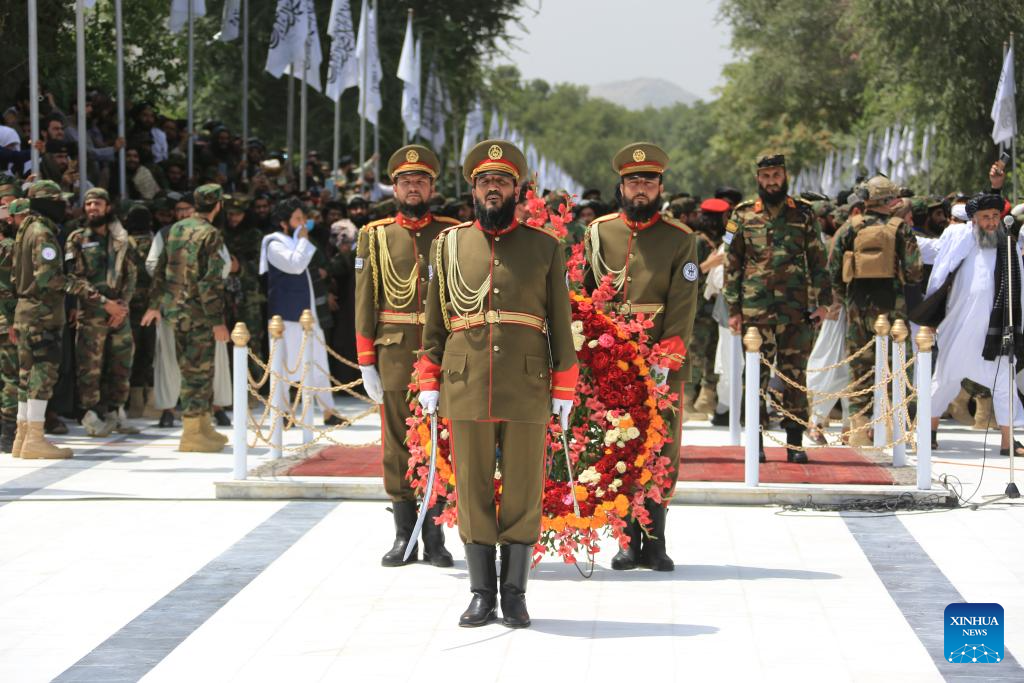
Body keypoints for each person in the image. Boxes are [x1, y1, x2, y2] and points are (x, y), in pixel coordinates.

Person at [416, 139, 578, 628]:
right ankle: (482, 591)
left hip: (528, 381)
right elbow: (433, 321)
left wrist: (565, 387)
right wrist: (429, 375)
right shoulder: (448, 245)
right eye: (485, 181)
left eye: (502, 182)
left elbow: (560, 320)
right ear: (473, 189)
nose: (493, 188)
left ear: (518, 189)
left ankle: (515, 593)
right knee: (473, 487)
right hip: (466, 379)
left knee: (525, 487)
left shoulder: (545, 247)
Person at [582, 142, 699, 572]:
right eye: (634, 181)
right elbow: (585, 295)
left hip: (658, 357)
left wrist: (666, 357)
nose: (641, 189)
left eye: (648, 181)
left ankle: (656, 540)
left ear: (660, 186)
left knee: (662, 446)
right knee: (617, 446)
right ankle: (626, 539)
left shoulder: (680, 239)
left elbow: (684, 303)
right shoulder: (599, 232)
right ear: (621, 185)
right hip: (612, 357)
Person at [354, 145, 460, 568]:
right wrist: (366, 360)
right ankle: (404, 535)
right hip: (395, 353)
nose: (413, 187)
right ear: (394, 186)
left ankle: (434, 535)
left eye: (420, 181)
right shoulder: (375, 235)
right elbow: (365, 300)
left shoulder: (452, 233)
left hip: (444, 354)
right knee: (397, 446)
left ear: (432, 186)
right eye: (405, 181)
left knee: (440, 443)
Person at [724, 152, 832, 463]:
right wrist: (733, 309)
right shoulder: (741, 215)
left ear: (785, 177)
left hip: (796, 310)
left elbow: (817, 260)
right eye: (766, 176)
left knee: (794, 377)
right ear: (758, 178)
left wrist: (824, 303)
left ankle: (795, 443)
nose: (772, 181)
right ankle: (755, 443)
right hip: (755, 311)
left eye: (777, 175)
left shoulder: (804, 214)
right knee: (754, 377)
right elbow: (732, 263)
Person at [828, 176, 923, 446]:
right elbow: (915, 271)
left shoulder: (851, 228)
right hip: (893, 309)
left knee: (860, 371)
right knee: (896, 370)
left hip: (858, 307)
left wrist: (844, 297)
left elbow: (834, 269)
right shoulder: (900, 229)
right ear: (891, 200)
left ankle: (859, 433)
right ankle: (896, 434)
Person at [928, 194, 1024, 454]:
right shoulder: (960, 241)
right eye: (985, 217)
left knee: (1004, 381)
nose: (992, 222)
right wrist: (930, 318)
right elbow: (939, 274)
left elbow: (1020, 285)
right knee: (945, 380)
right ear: (974, 220)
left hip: (996, 329)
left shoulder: (1008, 245)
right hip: (959, 326)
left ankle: (1008, 441)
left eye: (995, 217)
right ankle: (929, 430)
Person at [142, 184, 230, 452]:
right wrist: (218, 321)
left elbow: (160, 271)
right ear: (217, 206)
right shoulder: (211, 234)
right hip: (198, 313)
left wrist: (155, 304)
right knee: (198, 373)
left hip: (174, 311)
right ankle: (192, 432)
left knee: (194, 370)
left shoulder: (176, 229)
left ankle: (203, 425)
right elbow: (210, 282)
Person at [258, 198, 340, 426]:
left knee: (319, 361)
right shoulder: (274, 244)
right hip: (287, 314)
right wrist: (303, 241)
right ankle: (282, 412)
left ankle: (328, 410)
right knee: (284, 362)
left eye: (303, 218)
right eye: (297, 219)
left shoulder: (296, 241)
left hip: (307, 312)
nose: (302, 223)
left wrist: (302, 241)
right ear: (284, 223)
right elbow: (295, 265)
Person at [65, 187, 140, 437]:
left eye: (97, 204)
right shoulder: (77, 238)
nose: (92, 209)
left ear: (108, 207)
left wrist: (123, 305)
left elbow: (131, 275)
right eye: (88, 205)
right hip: (92, 312)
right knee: (90, 368)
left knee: (121, 364)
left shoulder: (122, 238)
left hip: (119, 313)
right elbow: (73, 279)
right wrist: (104, 303)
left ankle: (115, 412)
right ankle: (91, 416)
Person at [12, 180, 72, 459]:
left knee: (26, 375)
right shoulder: (43, 233)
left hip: (25, 310)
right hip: (42, 313)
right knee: (42, 373)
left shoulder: (25, 230)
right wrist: (86, 290)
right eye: (59, 200)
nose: (64, 206)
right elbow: (50, 278)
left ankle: (22, 437)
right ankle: (34, 438)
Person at [0, 197, 27, 452]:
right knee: (11, 377)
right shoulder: (8, 247)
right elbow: (9, 288)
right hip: (4, 321)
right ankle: (8, 432)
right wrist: (11, 320)